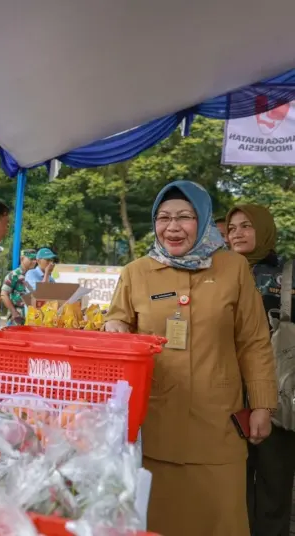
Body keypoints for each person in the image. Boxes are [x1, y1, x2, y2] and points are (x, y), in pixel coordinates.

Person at [104, 181, 277, 536]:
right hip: (154, 424)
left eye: (184, 217)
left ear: (203, 221)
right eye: (163, 218)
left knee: (220, 520)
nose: (173, 227)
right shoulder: (136, 272)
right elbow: (117, 318)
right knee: (156, 521)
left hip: (218, 425)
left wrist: (262, 405)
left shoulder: (233, 268)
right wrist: (116, 326)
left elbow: (254, 341)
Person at [227, 204, 295, 536]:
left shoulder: (289, 275)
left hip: (277, 396)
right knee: (229, 485)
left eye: (246, 226)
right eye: (232, 228)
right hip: (226, 394)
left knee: (274, 486)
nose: (237, 233)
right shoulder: (216, 274)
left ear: (265, 229)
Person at [1, 249, 37, 325]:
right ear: (22, 259)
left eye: (35, 259)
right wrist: (14, 312)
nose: (34, 262)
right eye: (31, 259)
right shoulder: (14, 275)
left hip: (33, 316)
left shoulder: (35, 276)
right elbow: (4, 294)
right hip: (18, 316)